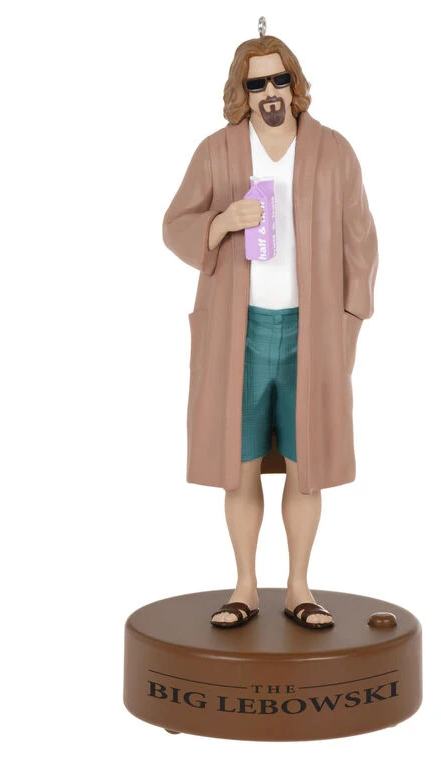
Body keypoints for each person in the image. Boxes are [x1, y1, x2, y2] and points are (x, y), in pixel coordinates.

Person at [162, 34, 378, 629]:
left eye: (279, 79)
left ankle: (300, 588)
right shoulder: (218, 152)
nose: (270, 93)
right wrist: (221, 222)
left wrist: (349, 319)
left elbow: (361, 240)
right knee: (240, 462)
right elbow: (175, 224)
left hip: (314, 331)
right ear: (243, 91)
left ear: (295, 83)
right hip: (240, 332)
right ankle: (245, 587)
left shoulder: (333, 152)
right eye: (256, 83)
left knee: (308, 466)